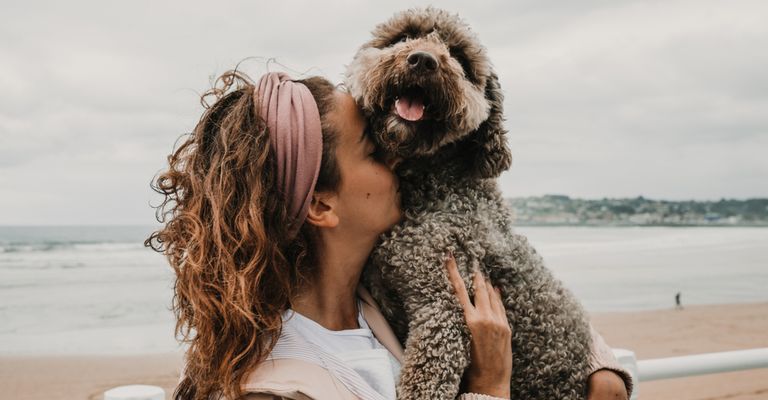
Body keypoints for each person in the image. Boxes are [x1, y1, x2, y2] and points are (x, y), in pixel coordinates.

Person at [147, 71, 632, 400]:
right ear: (321, 205)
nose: (398, 158)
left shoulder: (379, 296)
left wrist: (601, 367)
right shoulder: (276, 388)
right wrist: (489, 384)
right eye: (375, 152)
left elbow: (527, 295)